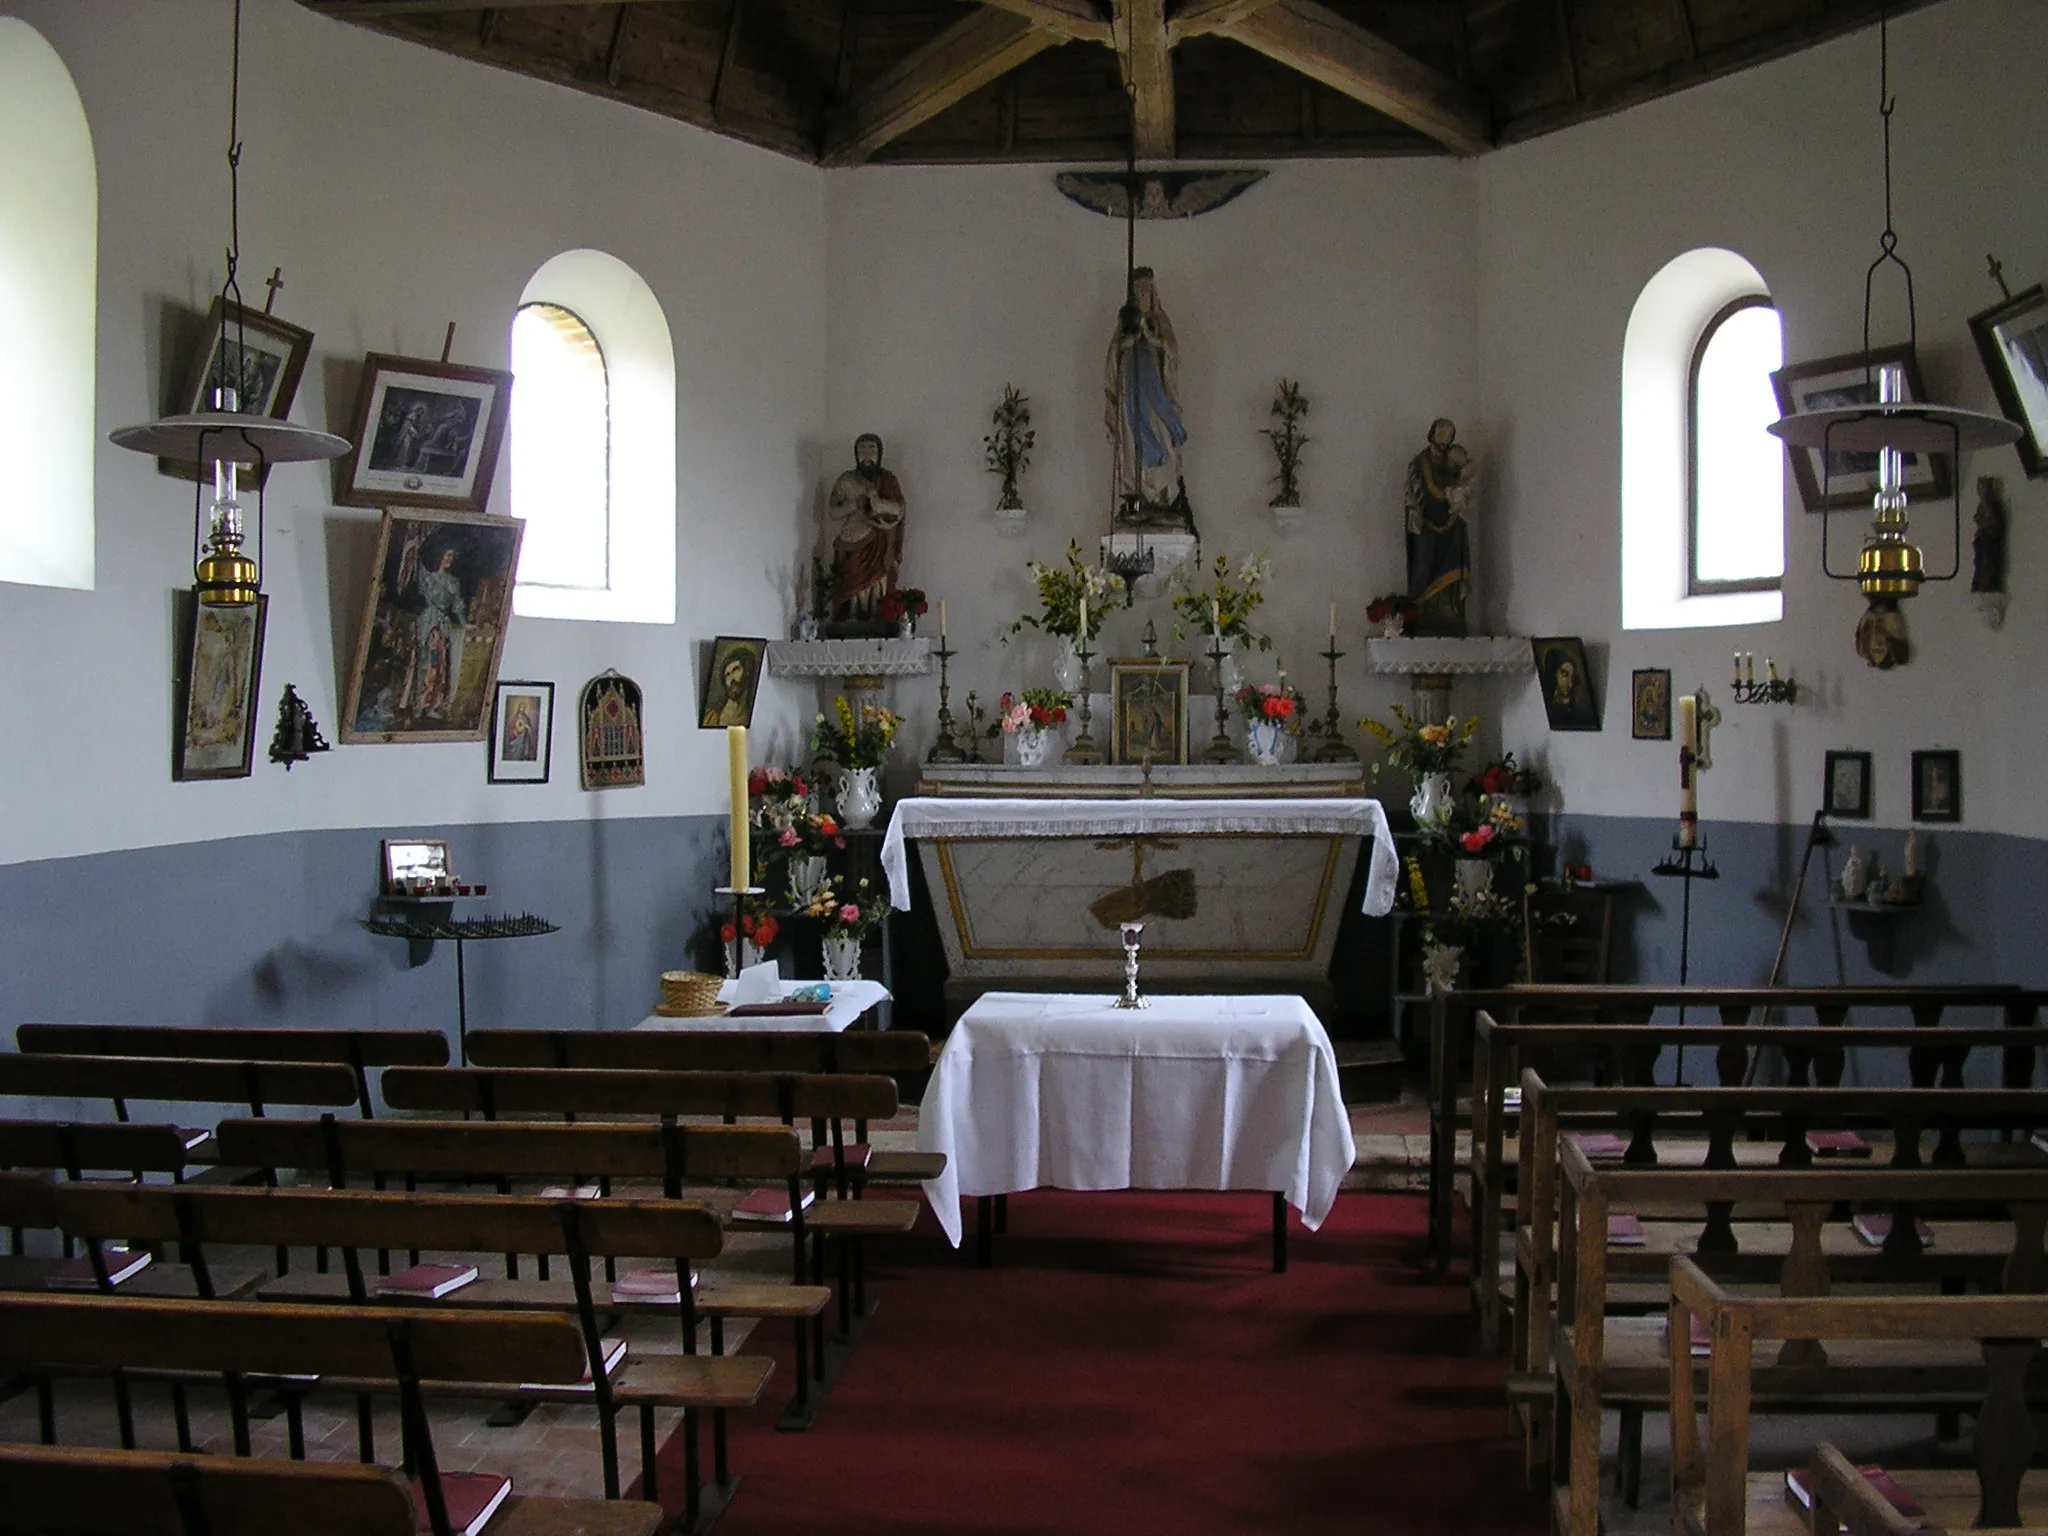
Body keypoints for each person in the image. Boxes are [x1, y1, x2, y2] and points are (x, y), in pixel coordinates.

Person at [1104, 268, 1190, 524]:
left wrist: (1155, 340)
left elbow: (1172, 356)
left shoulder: (1160, 322)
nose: (1142, 294)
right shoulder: (1123, 329)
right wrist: (1125, 344)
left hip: (1157, 400)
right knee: (1133, 444)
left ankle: (1162, 497)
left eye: (1146, 289)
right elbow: (1110, 365)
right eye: (1137, 290)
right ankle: (1137, 496)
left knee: (1161, 439)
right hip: (1132, 398)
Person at [825, 434, 906, 628]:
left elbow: (900, 509)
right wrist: (855, 503)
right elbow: (833, 512)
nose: (867, 454)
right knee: (851, 577)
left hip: (881, 540)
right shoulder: (846, 480)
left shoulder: (888, 479)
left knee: (879, 581)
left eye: (872, 449)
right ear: (855, 454)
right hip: (853, 540)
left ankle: (877, 616)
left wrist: (879, 504)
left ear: (879, 453)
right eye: (862, 450)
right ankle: (849, 617)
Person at [1405, 418, 1473, 636]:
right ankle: (1422, 611)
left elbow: (1464, 483)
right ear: (1432, 434)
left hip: (1450, 522)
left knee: (1460, 535)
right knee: (1424, 566)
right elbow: (1410, 491)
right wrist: (1413, 510)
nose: (1443, 440)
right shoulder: (1419, 462)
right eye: (1440, 434)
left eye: (1448, 435)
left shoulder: (1453, 460)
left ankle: (1450, 610)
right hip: (1426, 523)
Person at [402, 545, 467, 718]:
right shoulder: (428, 579)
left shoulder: (453, 582)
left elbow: (457, 605)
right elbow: (415, 569)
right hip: (427, 621)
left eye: (452, 556)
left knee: (438, 665)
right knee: (423, 661)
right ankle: (418, 703)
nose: (449, 559)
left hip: (442, 625)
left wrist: (464, 623)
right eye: (447, 555)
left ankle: (432, 704)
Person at [702, 651, 754, 728]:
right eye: (727, 675)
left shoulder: (752, 713)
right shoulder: (711, 716)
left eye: (736, 670)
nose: (731, 679)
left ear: (747, 672)